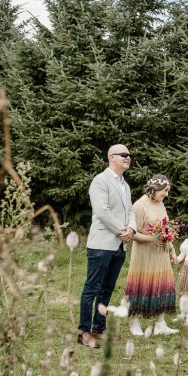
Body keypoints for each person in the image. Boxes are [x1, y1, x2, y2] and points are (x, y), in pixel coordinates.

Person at [78, 144, 136, 348]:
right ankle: (84, 332)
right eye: (124, 155)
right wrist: (122, 230)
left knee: (107, 290)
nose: (128, 157)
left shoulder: (125, 185)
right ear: (111, 157)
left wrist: (132, 230)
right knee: (92, 288)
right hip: (102, 244)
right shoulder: (100, 181)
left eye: (129, 155)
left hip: (120, 246)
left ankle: (98, 330)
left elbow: (131, 211)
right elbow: (102, 212)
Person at [125, 174, 179, 336]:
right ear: (154, 189)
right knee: (141, 285)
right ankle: (134, 322)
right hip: (143, 254)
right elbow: (131, 234)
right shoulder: (139, 205)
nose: (166, 194)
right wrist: (152, 239)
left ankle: (160, 324)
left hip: (160, 254)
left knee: (162, 285)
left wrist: (172, 251)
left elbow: (166, 230)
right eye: (165, 190)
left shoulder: (161, 204)